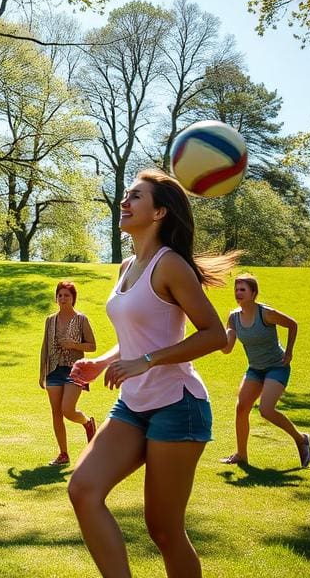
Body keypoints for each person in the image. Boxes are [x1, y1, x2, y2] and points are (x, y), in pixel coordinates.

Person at [67, 169, 234, 578]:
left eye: (135, 197)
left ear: (159, 212)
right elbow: (138, 336)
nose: (125, 202)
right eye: (126, 195)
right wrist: (102, 361)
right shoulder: (127, 265)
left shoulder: (171, 265)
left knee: (164, 530)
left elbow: (214, 335)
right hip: (134, 404)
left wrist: (146, 362)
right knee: (83, 490)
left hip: (179, 407)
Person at [219, 273, 310, 468]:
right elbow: (227, 349)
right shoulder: (234, 317)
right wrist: (219, 336)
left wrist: (289, 352)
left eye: (242, 289)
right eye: (236, 290)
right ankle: (241, 455)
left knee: (266, 410)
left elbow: (292, 324)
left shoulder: (266, 313)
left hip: (277, 367)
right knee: (241, 408)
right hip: (255, 369)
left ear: (253, 293)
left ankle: (301, 439)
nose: (238, 293)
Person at [39, 281, 97, 466]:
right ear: (56, 298)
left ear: (73, 298)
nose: (63, 299)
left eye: (67, 296)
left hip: (75, 370)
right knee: (56, 413)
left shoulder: (82, 319)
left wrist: (74, 345)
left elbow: (92, 346)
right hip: (53, 370)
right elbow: (44, 348)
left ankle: (87, 423)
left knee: (68, 410)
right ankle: (63, 454)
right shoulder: (50, 320)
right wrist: (42, 372)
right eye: (60, 295)